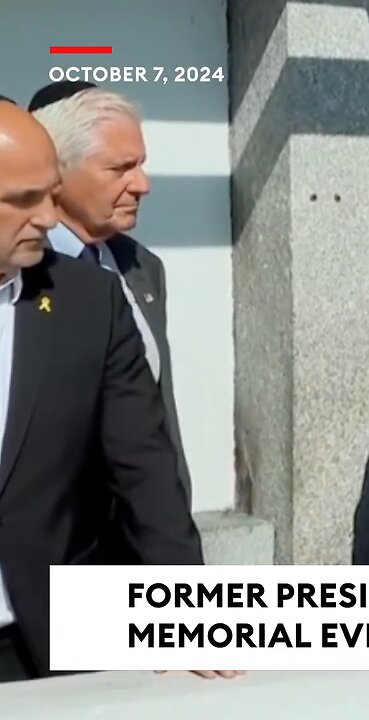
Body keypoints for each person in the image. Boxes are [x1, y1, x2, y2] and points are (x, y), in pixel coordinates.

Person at [0, 100, 234, 681]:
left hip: (45, 648)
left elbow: (145, 467)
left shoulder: (88, 301)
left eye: (50, 194)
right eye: (24, 199)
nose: (49, 218)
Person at [28, 81, 192, 506]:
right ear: (58, 173)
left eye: (140, 165)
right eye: (120, 169)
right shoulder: (16, 270)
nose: (142, 184)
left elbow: (156, 419)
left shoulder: (142, 269)